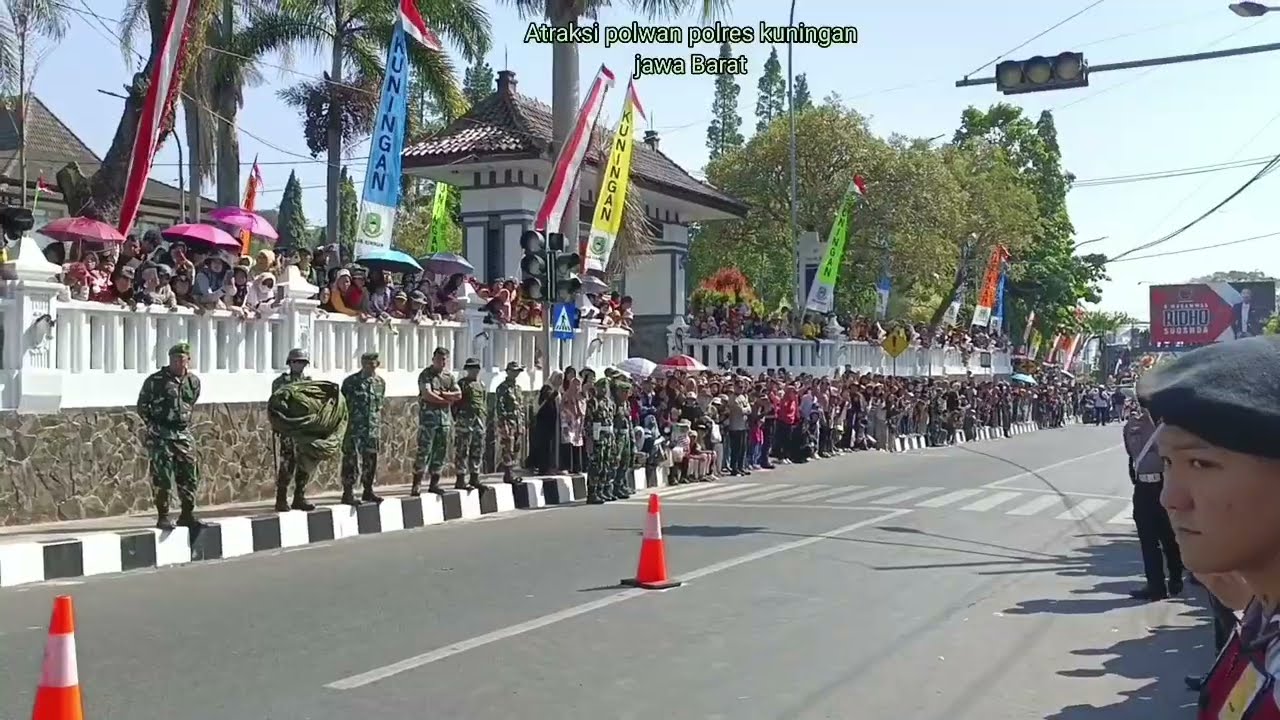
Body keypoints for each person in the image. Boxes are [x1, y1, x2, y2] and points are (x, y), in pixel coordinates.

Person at [1136, 334, 1280, 718]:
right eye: (1168, 463)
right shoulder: (1261, 617)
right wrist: (1246, 609)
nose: (1170, 498)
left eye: (1201, 464)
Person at [136, 343, 206, 529]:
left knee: (190, 475)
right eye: (175, 360)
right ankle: (163, 516)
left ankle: (187, 514)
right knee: (163, 477)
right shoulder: (156, 381)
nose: (178, 363)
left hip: (183, 433)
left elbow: (190, 402)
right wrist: (152, 426)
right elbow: (142, 405)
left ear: (188, 360)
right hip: (162, 434)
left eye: (182, 360)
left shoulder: (193, 381)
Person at [1122, 404, 1183, 601]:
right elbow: (1130, 451)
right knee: (1148, 540)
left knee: (1169, 536)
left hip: (1164, 485)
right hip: (1143, 489)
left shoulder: (1169, 427)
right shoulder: (1132, 425)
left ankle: (1176, 577)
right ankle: (1156, 585)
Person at [270, 348, 316, 512]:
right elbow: (276, 405)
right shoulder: (281, 382)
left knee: (304, 464)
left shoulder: (309, 383)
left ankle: (299, 497)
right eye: (296, 362)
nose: (299, 365)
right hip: (288, 429)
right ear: (289, 363)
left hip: (304, 430)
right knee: (287, 464)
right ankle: (281, 498)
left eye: (302, 362)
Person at [339, 351, 385, 505]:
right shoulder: (351, 382)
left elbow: (379, 405)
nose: (370, 366)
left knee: (371, 459)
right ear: (362, 364)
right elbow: (342, 404)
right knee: (351, 460)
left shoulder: (380, 383)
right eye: (366, 363)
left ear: (377, 364)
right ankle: (348, 492)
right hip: (354, 428)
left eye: (373, 363)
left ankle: (368, 490)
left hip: (372, 428)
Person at [413, 346, 460, 495]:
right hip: (428, 421)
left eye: (444, 360)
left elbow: (458, 394)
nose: (442, 362)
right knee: (424, 451)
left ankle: (434, 483)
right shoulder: (426, 375)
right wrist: (445, 400)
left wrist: (442, 394)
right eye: (439, 359)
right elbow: (427, 394)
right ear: (433, 359)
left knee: (440, 452)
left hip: (444, 421)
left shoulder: (448, 376)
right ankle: (417, 484)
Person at [454, 357, 488, 492]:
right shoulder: (462, 384)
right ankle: (460, 478)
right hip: (465, 420)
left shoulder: (482, 384)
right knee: (462, 449)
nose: (474, 371)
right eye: (471, 368)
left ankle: (475, 477)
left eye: (476, 368)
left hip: (478, 421)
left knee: (477, 448)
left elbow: (483, 402)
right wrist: (457, 417)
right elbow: (455, 403)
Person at [586, 376, 617, 504]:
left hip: (608, 436)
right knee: (596, 465)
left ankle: (602, 490)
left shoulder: (610, 403)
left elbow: (611, 420)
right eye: (601, 387)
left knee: (606, 464)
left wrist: (613, 438)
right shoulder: (593, 402)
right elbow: (588, 421)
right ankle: (592, 492)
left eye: (606, 387)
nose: (604, 390)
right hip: (597, 437)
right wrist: (589, 439)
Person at [494, 361, 524, 484]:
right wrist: (503, 423)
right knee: (508, 447)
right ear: (508, 372)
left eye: (517, 371)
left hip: (517, 422)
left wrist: (522, 424)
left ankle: (512, 471)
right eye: (513, 371)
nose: (515, 374)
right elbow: (500, 407)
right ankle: (508, 473)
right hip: (508, 422)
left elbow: (520, 407)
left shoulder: (518, 388)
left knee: (516, 447)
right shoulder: (502, 388)